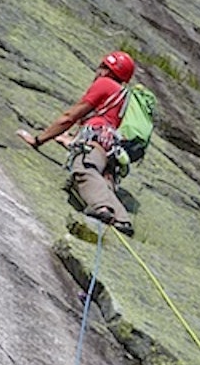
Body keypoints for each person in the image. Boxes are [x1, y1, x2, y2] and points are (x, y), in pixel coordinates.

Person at [18, 51, 136, 236]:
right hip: (111, 149)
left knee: (84, 168)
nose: (98, 71)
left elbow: (69, 117)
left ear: (106, 70)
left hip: (95, 141)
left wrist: (38, 140)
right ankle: (122, 220)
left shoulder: (104, 84)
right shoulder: (122, 95)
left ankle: (102, 209)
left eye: (101, 66)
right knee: (101, 180)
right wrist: (71, 140)